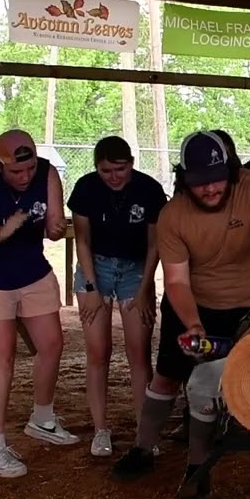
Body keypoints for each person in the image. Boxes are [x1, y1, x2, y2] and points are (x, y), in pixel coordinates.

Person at [111, 131, 250, 488]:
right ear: (184, 179)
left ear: (231, 171)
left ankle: (198, 465)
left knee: (207, 386)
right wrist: (194, 324)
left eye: (217, 180)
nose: (210, 189)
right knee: (166, 376)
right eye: (199, 184)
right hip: (192, 306)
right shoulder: (172, 216)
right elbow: (177, 282)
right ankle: (143, 448)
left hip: (248, 308)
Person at [0, 129, 74, 478]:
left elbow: (56, 222)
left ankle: (42, 417)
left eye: (30, 169)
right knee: (3, 356)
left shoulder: (48, 172)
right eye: (16, 172)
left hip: (31, 270)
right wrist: (4, 232)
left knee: (52, 344)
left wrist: (56, 228)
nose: (25, 177)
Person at [67, 136, 168, 458]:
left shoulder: (149, 190)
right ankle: (100, 430)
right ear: (97, 167)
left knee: (138, 353)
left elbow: (156, 245)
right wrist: (93, 289)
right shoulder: (85, 188)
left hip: (137, 269)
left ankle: (144, 432)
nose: (114, 176)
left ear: (132, 164)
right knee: (98, 352)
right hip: (94, 266)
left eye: (120, 169)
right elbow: (81, 240)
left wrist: (144, 290)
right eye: (106, 170)